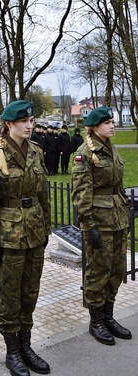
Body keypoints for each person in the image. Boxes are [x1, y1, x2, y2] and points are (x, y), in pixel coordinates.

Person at [0, 100, 51, 376]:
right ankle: (12, 351)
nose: (29, 125)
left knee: (30, 291)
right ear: (9, 124)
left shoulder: (36, 151)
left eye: (31, 120)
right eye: (23, 121)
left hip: (34, 232)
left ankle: (26, 345)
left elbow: (43, 194)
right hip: (9, 237)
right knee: (10, 295)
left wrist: (46, 228)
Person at [71, 106, 132, 346]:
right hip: (99, 220)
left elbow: (118, 184)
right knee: (98, 271)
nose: (112, 125)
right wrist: (89, 225)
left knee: (116, 269)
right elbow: (81, 191)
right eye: (107, 122)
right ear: (95, 127)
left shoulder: (110, 147)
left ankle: (108, 317)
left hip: (117, 217)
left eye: (112, 121)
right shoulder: (85, 152)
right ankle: (95, 320)